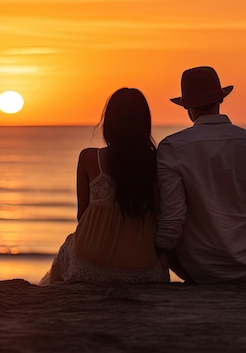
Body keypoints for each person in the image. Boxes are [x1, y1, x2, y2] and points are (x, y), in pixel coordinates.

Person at [156, 66, 246, 287]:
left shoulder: (173, 146)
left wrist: (153, 254)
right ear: (220, 100)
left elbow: (172, 221)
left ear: (187, 107)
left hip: (200, 268)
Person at [40, 88, 170, 285]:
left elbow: (81, 216)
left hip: (88, 263)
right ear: (145, 123)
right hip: (141, 268)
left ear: (109, 122)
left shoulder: (89, 158)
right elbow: (162, 216)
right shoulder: (158, 162)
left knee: (67, 248)